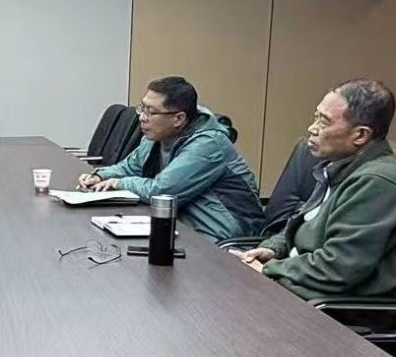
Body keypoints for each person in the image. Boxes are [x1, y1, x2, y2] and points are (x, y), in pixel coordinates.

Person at [235, 79, 396, 301]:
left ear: (360, 135)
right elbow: (304, 224)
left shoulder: (377, 183)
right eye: (316, 117)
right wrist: (273, 249)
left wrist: (270, 270)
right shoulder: (338, 167)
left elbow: (338, 268)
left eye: (324, 122)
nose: (312, 128)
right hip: (301, 285)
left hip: (338, 307)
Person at [77, 76, 266, 242]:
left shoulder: (208, 145)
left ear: (178, 119)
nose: (142, 118)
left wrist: (119, 183)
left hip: (223, 239)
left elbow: (162, 192)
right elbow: (129, 167)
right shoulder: (156, 136)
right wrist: (100, 175)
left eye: (151, 112)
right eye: (142, 108)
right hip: (183, 230)